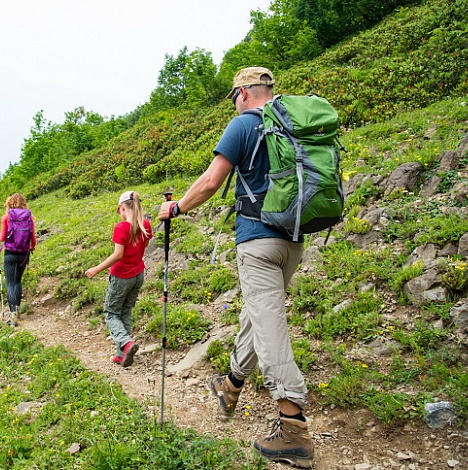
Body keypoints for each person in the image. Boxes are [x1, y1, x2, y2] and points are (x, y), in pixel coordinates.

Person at [157, 67, 313, 468]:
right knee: (258, 317)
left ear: (244, 93)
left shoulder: (243, 124)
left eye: (234, 96)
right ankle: (230, 385)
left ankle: (293, 428)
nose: (235, 102)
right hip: (294, 237)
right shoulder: (293, 121)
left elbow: (211, 182)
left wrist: (174, 208)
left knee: (269, 326)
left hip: (258, 240)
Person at [86, 191, 152, 368]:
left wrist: (96, 269)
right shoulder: (145, 224)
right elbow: (144, 246)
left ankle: (126, 343)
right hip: (138, 275)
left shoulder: (121, 228)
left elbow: (118, 255)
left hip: (121, 276)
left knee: (111, 312)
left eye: (120, 211)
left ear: (123, 207)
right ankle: (121, 354)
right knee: (125, 311)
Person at [0, 193, 36, 327]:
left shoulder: (6, 217)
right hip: (24, 253)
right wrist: (31, 247)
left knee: (11, 284)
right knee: (17, 282)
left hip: (10, 253)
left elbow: (2, 237)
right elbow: (33, 239)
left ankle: (13, 317)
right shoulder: (29, 217)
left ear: (9, 203)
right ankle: (17, 314)